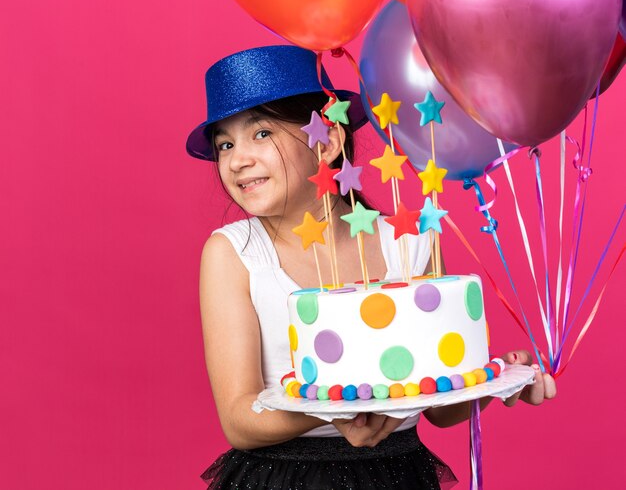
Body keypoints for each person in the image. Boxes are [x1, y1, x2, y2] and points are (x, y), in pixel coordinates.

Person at [187, 45, 556, 489]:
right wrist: (334, 411)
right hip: (284, 478)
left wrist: (500, 379)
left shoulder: (410, 243)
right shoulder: (235, 253)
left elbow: (441, 408)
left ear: (329, 141)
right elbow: (238, 418)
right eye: (224, 144)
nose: (236, 159)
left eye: (261, 134)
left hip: (399, 474)